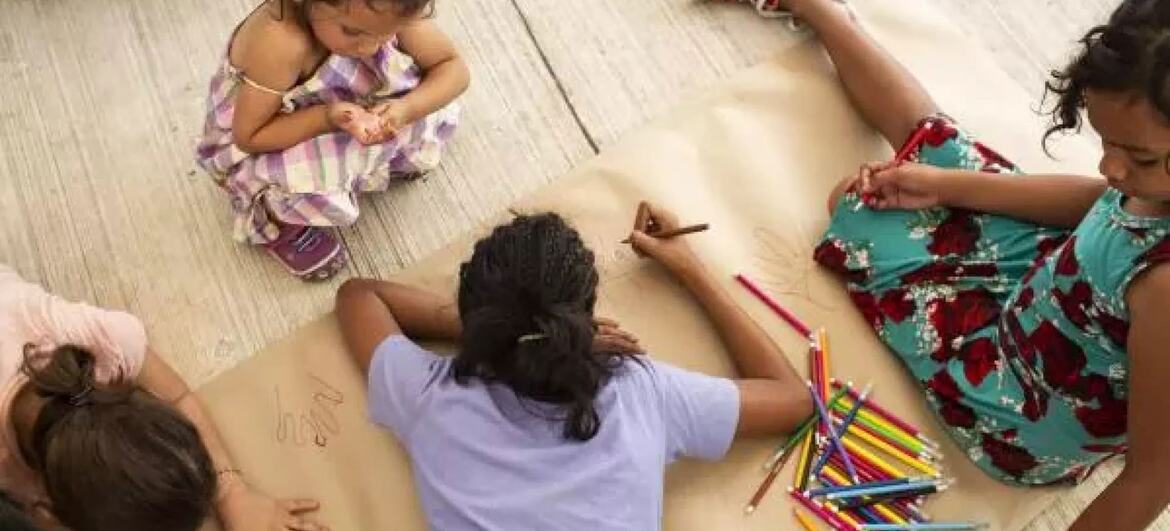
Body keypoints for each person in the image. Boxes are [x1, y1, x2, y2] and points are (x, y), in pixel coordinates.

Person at [787, 0, 1170, 527]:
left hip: (1014, 400)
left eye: (1139, 157)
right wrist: (947, 186)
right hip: (1063, 280)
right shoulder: (1150, 188)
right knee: (924, 155)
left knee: (857, 202)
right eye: (1104, 141)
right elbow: (1100, 205)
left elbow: (1152, 478)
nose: (1110, 166)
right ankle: (823, 11)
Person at [335, 206, 811, 529]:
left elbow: (359, 296)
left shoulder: (428, 397)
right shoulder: (640, 392)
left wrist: (493, 333)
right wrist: (691, 270)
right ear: (581, 316)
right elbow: (793, 400)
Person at [196, 0, 468, 280]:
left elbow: (453, 68)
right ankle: (277, 221)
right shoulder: (280, 42)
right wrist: (327, 118)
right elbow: (249, 137)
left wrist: (405, 109)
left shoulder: (389, 7)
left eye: (386, 34)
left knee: (427, 103)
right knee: (294, 179)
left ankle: (375, 163)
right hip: (278, 127)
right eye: (352, 31)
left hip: (354, 105)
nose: (369, 49)